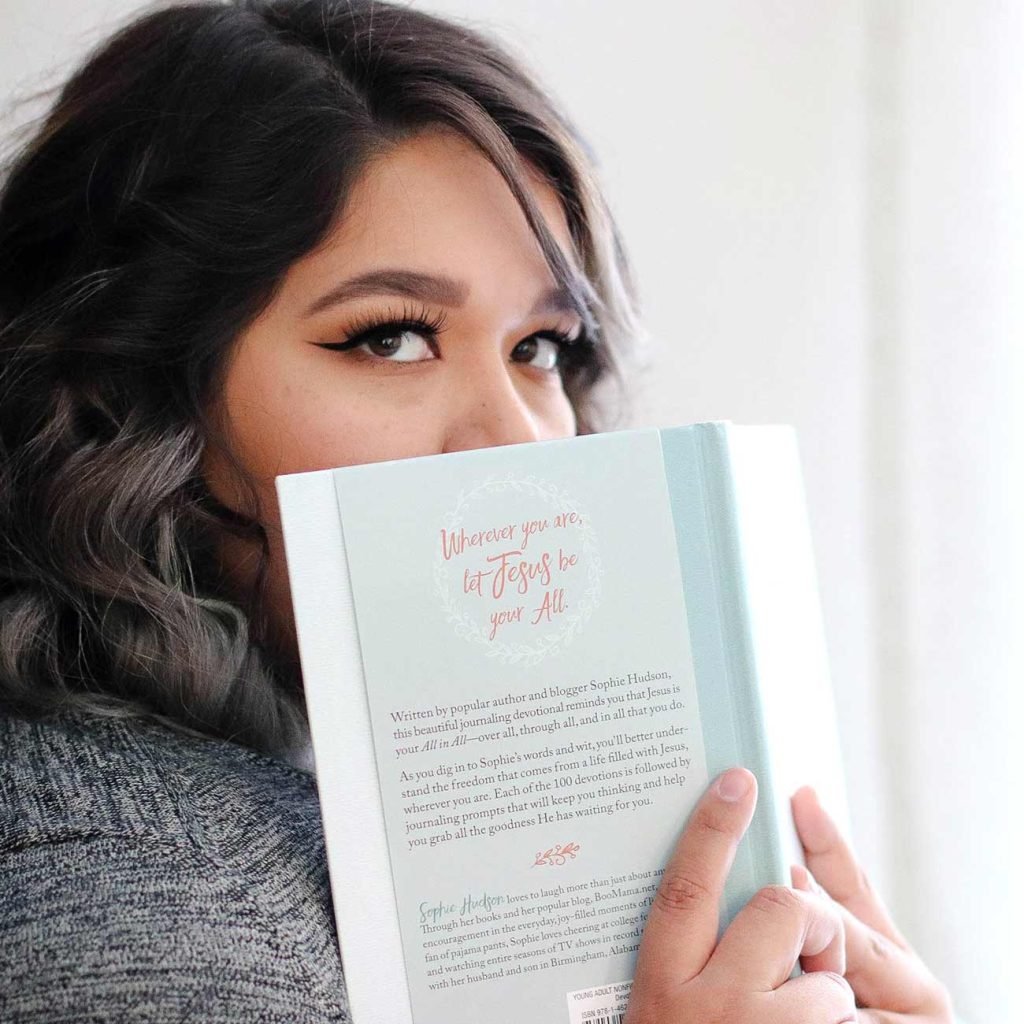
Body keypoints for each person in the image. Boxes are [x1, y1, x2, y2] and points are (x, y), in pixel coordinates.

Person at [0, 1, 956, 1021]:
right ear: (124, 393)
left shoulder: (306, 811)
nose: (517, 445)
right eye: (390, 337)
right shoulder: (143, 913)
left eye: (539, 348)